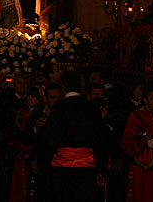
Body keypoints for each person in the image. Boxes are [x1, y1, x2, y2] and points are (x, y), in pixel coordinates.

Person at [41, 70, 108, 202]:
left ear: (63, 88)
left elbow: (49, 137)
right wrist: (102, 169)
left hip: (62, 169)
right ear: (81, 86)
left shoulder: (58, 107)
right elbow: (100, 139)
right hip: (86, 168)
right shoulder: (92, 107)